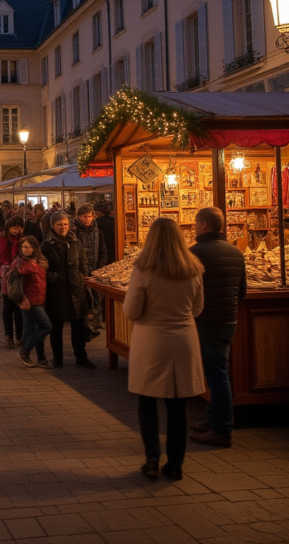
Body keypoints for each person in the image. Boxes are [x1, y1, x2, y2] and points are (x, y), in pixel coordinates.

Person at [123, 217, 205, 481]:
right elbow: (197, 308)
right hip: (183, 339)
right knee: (178, 404)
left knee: (147, 399)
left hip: (151, 340)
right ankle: (176, 464)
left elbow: (132, 310)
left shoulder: (144, 270)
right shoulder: (193, 269)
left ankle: (152, 458)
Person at [188, 207, 246, 448]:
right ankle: (215, 419)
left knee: (217, 375)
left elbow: (189, 292)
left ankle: (221, 430)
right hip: (229, 320)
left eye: (195, 222)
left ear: (204, 226)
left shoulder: (195, 253)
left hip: (207, 321)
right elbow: (241, 292)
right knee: (218, 372)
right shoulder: (235, 252)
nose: (194, 226)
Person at [40, 210, 94, 369]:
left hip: (76, 289)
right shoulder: (47, 245)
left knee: (78, 325)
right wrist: (55, 278)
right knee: (56, 327)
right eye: (59, 225)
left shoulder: (76, 242)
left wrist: (82, 275)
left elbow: (83, 261)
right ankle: (58, 358)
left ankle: (81, 356)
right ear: (52, 226)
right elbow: (43, 268)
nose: (63, 227)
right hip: (57, 291)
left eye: (65, 224)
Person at [14, 236, 53, 369]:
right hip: (30, 301)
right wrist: (22, 299)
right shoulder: (22, 264)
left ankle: (40, 357)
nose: (25, 249)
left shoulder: (38, 262)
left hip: (39, 298)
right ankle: (25, 352)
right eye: (23, 247)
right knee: (46, 326)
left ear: (35, 248)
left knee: (31, 328)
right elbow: (15, 284)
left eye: (28, 247)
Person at [72, 203, 107, 339]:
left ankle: (94, 325)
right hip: (81, 272)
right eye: (85, 217)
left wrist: (99, 267)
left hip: (95, 270)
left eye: (90, 217)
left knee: (96, 298)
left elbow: (103, 251)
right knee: (84, 300)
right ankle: (86, 327)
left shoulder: (98, 232)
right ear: (79, 217)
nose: (88, 219)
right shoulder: (74, 232)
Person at [0, 215, 25, 349]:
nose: (17, 231)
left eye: (19, 228)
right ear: (8, 227)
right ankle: (9, 335)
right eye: (14, 228)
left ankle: (19, 334)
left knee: (19, 307)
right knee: (8, 306)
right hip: (6, 276)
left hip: (20, 275)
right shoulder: (0, 238)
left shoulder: (23, 239)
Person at [93, 201, 116, 265]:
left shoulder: (97, 222)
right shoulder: (114, 221)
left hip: (102, 252)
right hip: (114, 251)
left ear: (98, 212)